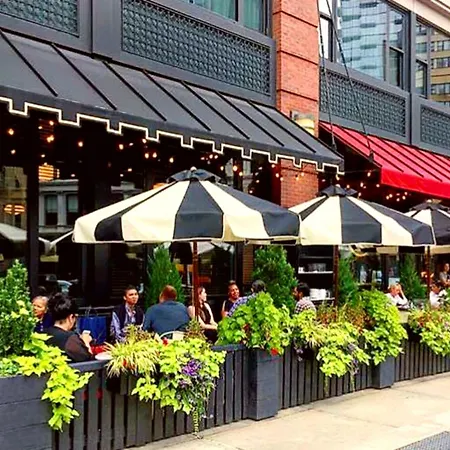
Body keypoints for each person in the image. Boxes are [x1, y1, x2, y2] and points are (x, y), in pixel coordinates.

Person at [45, 293, 93, 362]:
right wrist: (86, 341)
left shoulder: (42, 334)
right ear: (71, 317)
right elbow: (87, 360)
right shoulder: (70, 339)